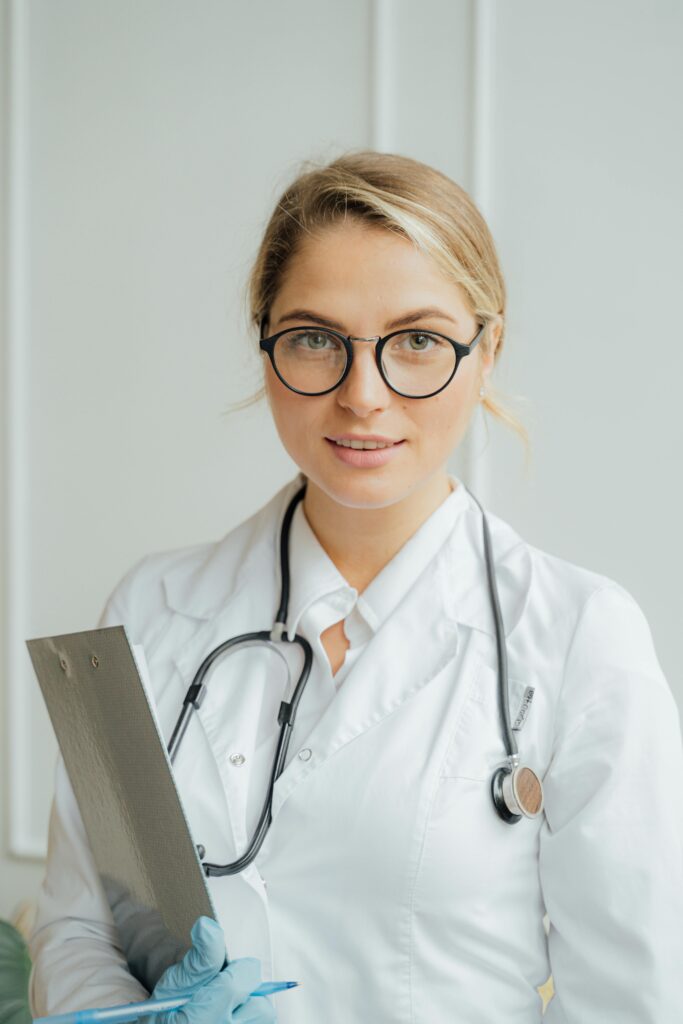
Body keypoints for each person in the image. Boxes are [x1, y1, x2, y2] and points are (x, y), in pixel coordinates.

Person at [28, 150, 683, 1023]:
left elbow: (630, 1002)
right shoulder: (151, 609)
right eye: (314, 339)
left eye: (416, 341)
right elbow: (78, 930)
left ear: (486, 351)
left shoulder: (579, 638)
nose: (362, 395)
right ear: (265, 347)